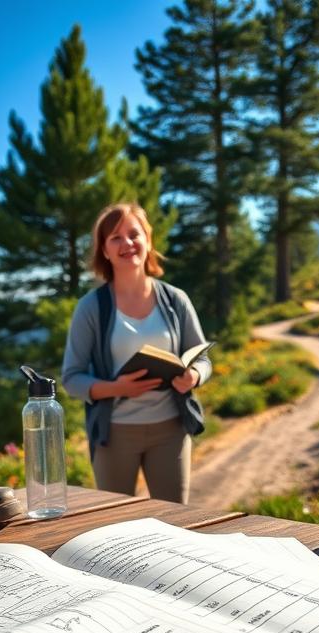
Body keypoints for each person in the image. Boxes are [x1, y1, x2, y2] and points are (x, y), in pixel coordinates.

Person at [62, 203, 212, 504]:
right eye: (115, 237)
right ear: (104, 250)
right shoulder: (92, 307)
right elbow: (71, 378)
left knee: (175, 522)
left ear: (148, 240)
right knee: (116, 526)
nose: (127, 243)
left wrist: (194, 376)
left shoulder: (175, 300)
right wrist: (117, 388)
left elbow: (204, 360)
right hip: (114, 434)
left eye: (134, 234)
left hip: (171, 430)